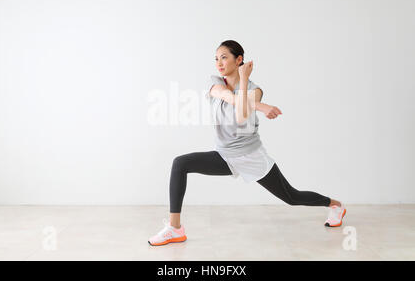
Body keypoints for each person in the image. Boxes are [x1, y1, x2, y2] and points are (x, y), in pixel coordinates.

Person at [148, 40, 346, 246]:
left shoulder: (254, 89)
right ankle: (175, 228)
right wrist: (261, 107)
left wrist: (245, 81)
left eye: (224, 57)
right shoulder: (214, 83)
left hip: (252, 156)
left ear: (239, 60)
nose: (219, 63)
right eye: (216, 58)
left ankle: (335, 205)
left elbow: (242, 116)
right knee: (181, 163)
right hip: (224, 155)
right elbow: (229, 98)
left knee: (291, 197)